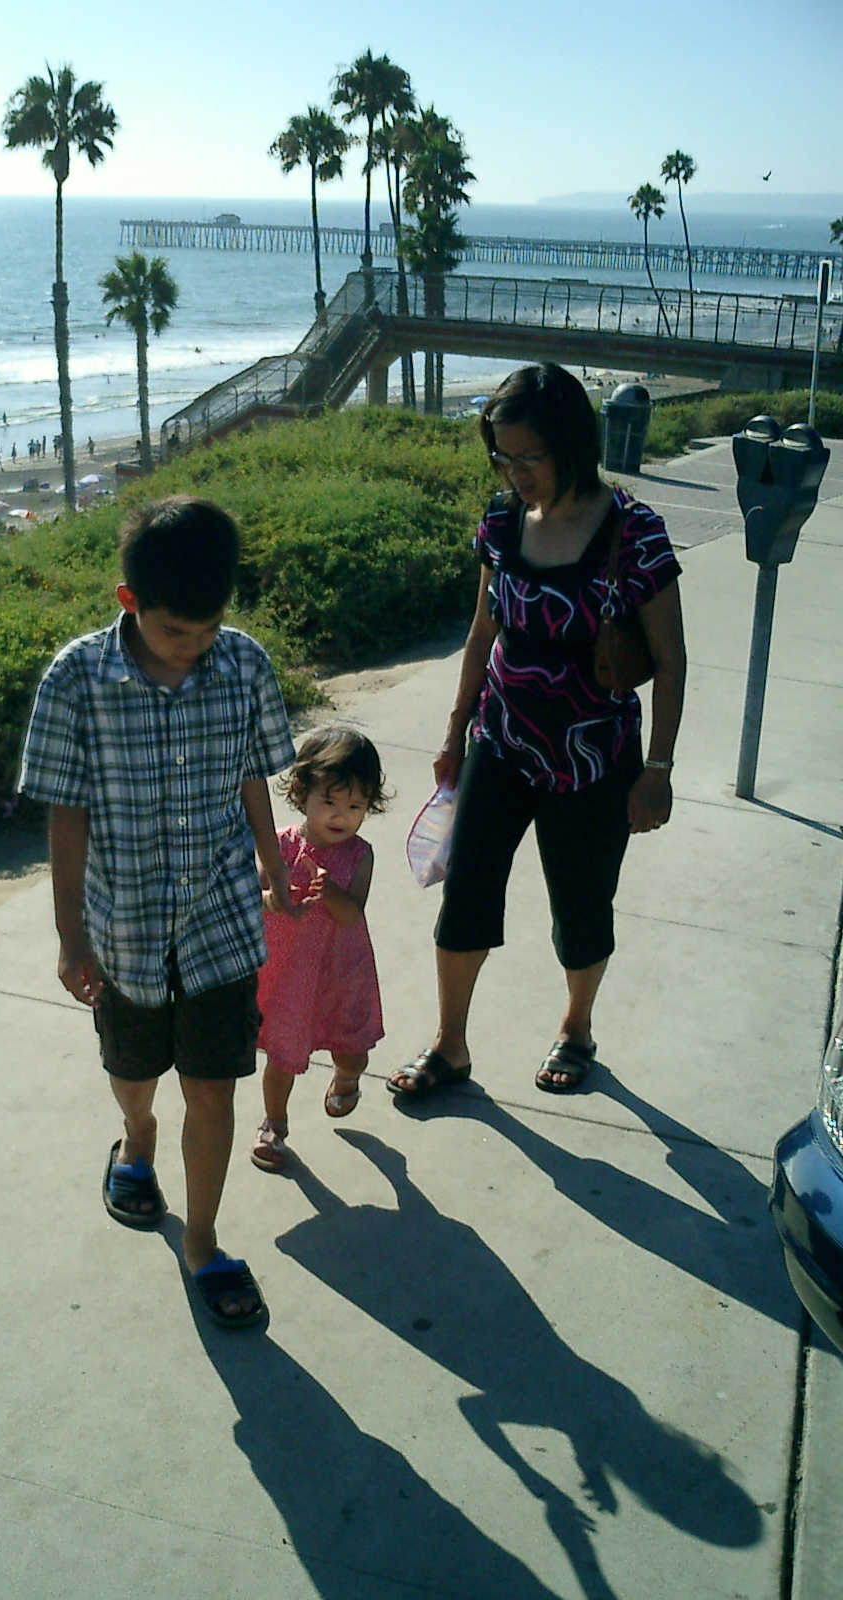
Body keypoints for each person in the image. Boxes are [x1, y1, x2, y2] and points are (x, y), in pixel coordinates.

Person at [18, 496, 296, 1328]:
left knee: (213, 1089)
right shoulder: (76, 680)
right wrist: (71, 936)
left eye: (209, 629)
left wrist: (273, 863)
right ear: (129, 599)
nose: (195, 645)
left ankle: (202, 1243)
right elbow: (66, 814)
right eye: (177, 630)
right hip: (125, 926)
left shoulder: (243, 665)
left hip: (221, 921)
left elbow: (252, 772)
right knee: (134, 1072)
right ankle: (135, 1138)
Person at [389, 363, 685, 1100]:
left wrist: (658, 769)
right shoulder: (500, 521)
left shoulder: (634, 532)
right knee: (467, 893)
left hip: (594, 759)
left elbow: (672, 659)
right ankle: (450, 1044)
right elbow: (482, 630)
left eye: (530, 457)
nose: (515, 473)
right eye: (503, 456)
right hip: (501, 742)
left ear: (571, 445)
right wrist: (454, 733)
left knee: (581, 906)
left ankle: (577, 1028)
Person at [251, 727, 388, 1174]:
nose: (341, 816)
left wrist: (329, 892)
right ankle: (274, 1124)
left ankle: (347, 1077)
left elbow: (352, 914)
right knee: (283, 1054)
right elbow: (251, 894)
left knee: (351, 1049)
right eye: (330, 801)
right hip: (288, 974)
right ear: (301, 791)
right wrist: (272, 897)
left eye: (355, 806)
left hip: (340, 975)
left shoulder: (360, 856)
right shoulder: (279, 845)